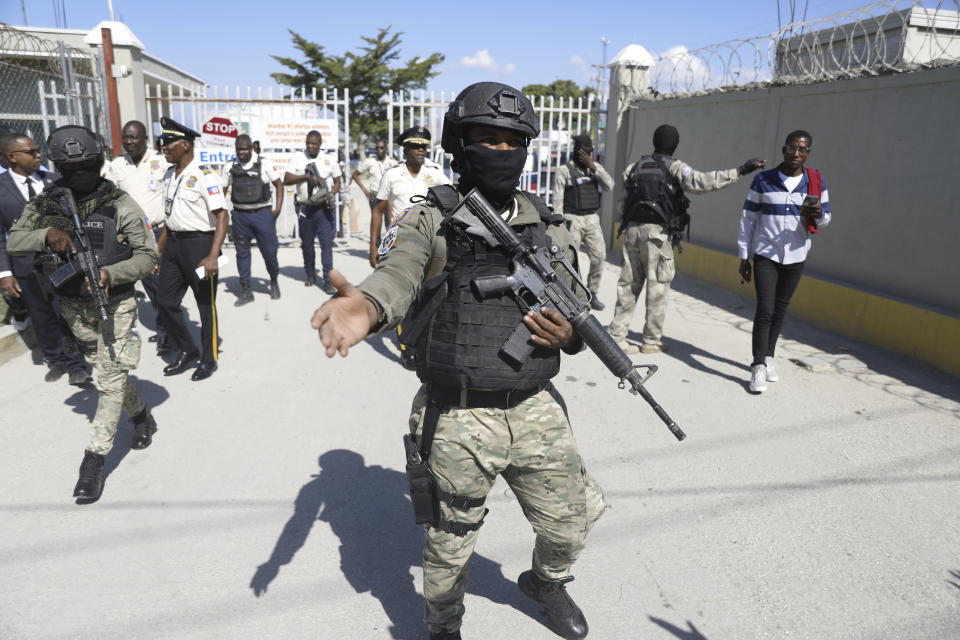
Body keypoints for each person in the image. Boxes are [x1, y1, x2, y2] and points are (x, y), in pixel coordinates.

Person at [311, 82, 606, 640]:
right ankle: (443, 629)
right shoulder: (430, 220)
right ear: (459, 144)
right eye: (485, 139)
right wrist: (369, 307)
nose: (499, 151)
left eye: (511, 141)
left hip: (535, 406)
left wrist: (568, 335)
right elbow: (399, 274)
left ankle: (546, 581)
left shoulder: (551, 225)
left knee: (572, 522)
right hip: (458, 415)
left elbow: (578, 315)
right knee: (448, 549)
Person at [8, 124, 159, 502]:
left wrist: (111, 273)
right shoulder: (48, 202)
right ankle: (141, 415)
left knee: (108, 380)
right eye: (71, 169)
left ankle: (93, 461)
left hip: (116, 303)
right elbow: (15, 239)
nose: (80, 175)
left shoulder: (120, 202)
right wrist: (47, 235)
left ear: (99, 162)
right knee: (104, 370)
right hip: (73, 305)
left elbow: (148, 255)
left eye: (87, 166)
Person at [608, 124, 765, 354]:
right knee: (658, 287)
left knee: (628, 286)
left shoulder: (634, 168)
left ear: (655, 141)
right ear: (674, 144)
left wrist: (628, 225)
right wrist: (740, 171)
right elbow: (702, 182)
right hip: (658, 236)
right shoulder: (675, 168)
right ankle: (651, 341)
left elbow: (623, 202)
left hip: (632, 231)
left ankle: (617, 336)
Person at [737, 130, 830, 393]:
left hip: (796, 255)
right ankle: (757, 366)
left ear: (808, 153)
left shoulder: (815, 182)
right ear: (783, 150)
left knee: (780, 309)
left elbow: (826, 219)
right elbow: (748, 219)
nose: (796, 154)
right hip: (766, 254)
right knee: (764, 310)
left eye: (802, 150)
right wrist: (744, 255)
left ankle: (769, 357)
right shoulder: (763, 180)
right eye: (792, 149)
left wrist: (818, 213)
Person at [0, 131, 90, 384]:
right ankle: (56, 360)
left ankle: (76, 364)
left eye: (38, 150)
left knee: (67, 312)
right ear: (12, 157)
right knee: (41, 314)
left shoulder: (55, 182)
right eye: (31, 152)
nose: (38, 155)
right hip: (25, 265)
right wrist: (4, 273)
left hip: (62, 262)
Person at [156, 117, 228, 381]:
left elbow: (222, 216)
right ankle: (188, 350)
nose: (163, 147)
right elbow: (169, 216)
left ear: (185, 145)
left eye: (168, 143)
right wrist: (159, 249)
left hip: (200, 247)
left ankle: (209, 360)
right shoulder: (169, 174)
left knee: (205, 304)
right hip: (174, 245)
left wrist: (212, 256)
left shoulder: (204, 174)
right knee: (165, 301)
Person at [106, 120, 176, 354]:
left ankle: (167, 332)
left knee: (157, 285)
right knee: (128, 284)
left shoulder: (161, 161)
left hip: (155, 232)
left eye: (134, 137)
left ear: (145, 138)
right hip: (127, 235)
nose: (129, 142)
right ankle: (125, 332)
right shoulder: (117, 165)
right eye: (126, 137)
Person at [369, 126, 450, 268]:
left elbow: (452, 198)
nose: (421, 149)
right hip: (399, 239)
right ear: (405, 149)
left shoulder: (435, 174)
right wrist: (373, 247)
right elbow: (377, 212)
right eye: (415, 146)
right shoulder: (392, 175)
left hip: (427, 239)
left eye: (424, 146)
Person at [551, 133, 614, 310]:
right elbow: (558, 200)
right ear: (577, 152)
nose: (588, 155)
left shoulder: (594, 168)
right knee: (570, 259)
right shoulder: (565, 171)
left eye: (590, 152)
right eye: (585, 153)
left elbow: (610, 185)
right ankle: (569, 295)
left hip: (592, 219)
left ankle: (592, 293)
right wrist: (558, 224)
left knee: (599, 256)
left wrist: (593, 167)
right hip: (573, 219)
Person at [220, 134, 284, 306]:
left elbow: (279, 185)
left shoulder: (264, 163)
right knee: (242, 255)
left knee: (270, 253)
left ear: (251, 148)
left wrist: (277, 209)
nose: (241, 152)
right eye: (238, 149)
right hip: (240, 215)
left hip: (263, 214)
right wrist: (222, 215)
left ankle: (273, 280)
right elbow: (222, 191)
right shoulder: (229, 167)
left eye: (245, 149)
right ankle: (246, 290)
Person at [283, 130, 341, 293]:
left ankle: (328, 280)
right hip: (305, 207)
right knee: (307, 245)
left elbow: (338, 181)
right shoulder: (297, 157)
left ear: (320, 143)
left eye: (314, 143)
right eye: (308, 143)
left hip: (324, 209)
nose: (310, 146)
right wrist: (306, 177)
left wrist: (331, 194)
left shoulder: (329, 159)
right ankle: (310, 274)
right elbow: (286, 180)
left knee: (326, 245)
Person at [352, 139, 397, 239]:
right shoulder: (370, 161)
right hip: (375, 196)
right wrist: (366, 192)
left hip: (389, 197)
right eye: (376, 148)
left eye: (381, 147)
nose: (379, 150)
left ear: (386, 148)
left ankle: (388, 251)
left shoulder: (392, 162)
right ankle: (376, 251)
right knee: (376, 225)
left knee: (390, 224)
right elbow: (355, 175)